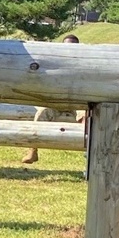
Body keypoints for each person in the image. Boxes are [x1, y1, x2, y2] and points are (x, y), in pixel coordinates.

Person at [19, 33, 86, 165]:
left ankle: (88, 156)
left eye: (73, 47)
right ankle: (33, 150)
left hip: (77, 105)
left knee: (86, 117)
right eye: (67, 47)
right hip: (55, 104)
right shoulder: (54, 63)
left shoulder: (83, 65)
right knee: (42, 112)